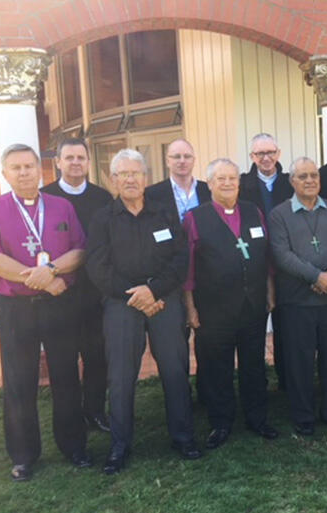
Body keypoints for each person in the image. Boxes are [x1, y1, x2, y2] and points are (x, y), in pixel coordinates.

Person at [0, 143, 90, 481]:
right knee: (19, 381)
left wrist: (50, 269)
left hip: (59, 305)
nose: (24, 172)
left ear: (41, 169)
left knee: (66, 376)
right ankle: (24, 455)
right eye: (16, 167)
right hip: (15, 309)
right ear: (5, 173)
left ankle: (73, 446)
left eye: (29, 166)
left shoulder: (62, 207)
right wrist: (43, 279)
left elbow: (80, 250)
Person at [87, 149, 201, 475]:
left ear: (145, 178)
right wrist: (137, 294)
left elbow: (180, 259)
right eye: (123, 174)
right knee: (121, 377)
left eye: (135, 173)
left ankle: (183, 437)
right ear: (113, 180)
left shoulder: (164, 213)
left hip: (164, 301)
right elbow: (97, 266)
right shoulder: (103, 219)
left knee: (176, 372)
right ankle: (119, 447)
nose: (130, 179)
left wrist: (153, 289)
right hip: (121, 305)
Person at [182, 158, 279, 448]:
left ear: (239, 182)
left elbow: (266, 259)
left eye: (232, 178)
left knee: (253, 364)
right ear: (209, 184)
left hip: (252, 304)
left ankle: (257, 418)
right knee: (217, 367)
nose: (227, 183)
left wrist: (270, 291)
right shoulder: (194, 218)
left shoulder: (253, 212)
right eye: (220, 179)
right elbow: (186, 270)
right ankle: (221, 422)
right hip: (214, 309)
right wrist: (190, 307)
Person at [269, 157, 327, 436]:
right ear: (292, 181)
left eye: (314, 176)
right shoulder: (278, 215)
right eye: (303, 176)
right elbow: (282, 255)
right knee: (299, 360)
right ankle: (303, 416)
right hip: (297, 302)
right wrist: (315, 277)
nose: (309, 181)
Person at [41, 137, 113, 432]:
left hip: (95, 294)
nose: (75, 163)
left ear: (88, 161)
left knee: (97, 357)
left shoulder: (103, 198)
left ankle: (95, 411)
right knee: (64, 363)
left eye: (80, 158)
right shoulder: (43, 198)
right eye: (68, 158)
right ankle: (69, 419)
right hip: (57, 294)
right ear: (57, 162)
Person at [144, 138, 212, 402]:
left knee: (206, 338)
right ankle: (180, 395)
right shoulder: (153, 194)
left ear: (194, 159)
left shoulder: (208, 190)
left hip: (206, 276)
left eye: (186, 156)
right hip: (170, 278)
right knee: (174, 344)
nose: (182, 161)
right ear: (167, 161)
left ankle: (207, 392)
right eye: (176, 157)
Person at [239, 133, 294, 390]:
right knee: (255, 330)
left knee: (286, 328)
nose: (266, 158)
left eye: (270, 152)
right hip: (255, 267)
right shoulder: (241, 184)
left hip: (288, 265)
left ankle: (287, 380)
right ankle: (256, 384)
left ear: (278, 153)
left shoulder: (290, 183)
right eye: (260, 154)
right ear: (252, 157)